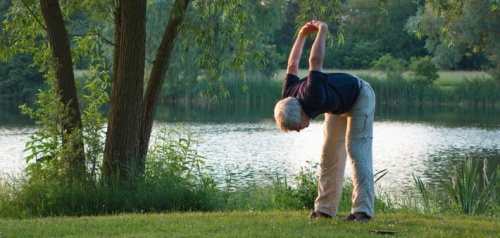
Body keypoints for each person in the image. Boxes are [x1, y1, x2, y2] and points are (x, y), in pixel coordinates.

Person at [273, 20, 376, 222]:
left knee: (356, 150)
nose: (299, 131)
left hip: (360, 96)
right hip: (337, 106)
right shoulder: (288, 95)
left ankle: (362, 211)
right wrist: (302, 35)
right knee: (329, 154)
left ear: (301, 113)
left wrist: (322, 31)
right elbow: (292, 64)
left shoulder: (313, 95)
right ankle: (324, 209)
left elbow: (315, 61)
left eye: (296, 127)